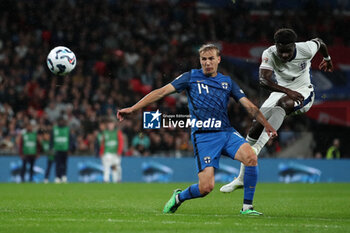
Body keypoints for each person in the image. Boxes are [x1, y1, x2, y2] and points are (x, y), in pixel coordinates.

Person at [117, 44, 277, 215]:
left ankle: (247, 208)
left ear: (218, 59)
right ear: (200, 60)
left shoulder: (227, 82)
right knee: (206, 188)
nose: (207, 63)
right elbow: (161, 92)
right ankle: (178, 197)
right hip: (204, 137)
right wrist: (134, 108)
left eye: (211, 59)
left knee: (251, 156)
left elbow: (249, 106)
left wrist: (267, 125)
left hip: (226, 133)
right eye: (204, 59)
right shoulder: (190, 77)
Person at [220, 28, 334, 193]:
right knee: (255, 126)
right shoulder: (270, 53)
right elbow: (263, 80)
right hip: (281, 91)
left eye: (288, 51)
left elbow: (320, 42)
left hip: (303, 91)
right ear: (276, 46)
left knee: (282, 104)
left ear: (294, 46)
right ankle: (240, 178)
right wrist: (287, 90)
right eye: (282, 51)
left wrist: (327, 58)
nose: (285, 55)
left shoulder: (306, 49)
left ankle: (257, 149)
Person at [96, 117, 124, 182]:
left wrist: (119, 151)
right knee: (106, 166)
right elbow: (102, 143)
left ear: (114, 124)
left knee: (116, 167)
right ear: (107, 125)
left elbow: (120, 142)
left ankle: (116, 180)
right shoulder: (105, 132)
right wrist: (101, 152)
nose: (110, 125)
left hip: (115, 153)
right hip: (107, 152)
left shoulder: (117, 132)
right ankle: (106, 180)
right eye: (109, 124)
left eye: (111, 124)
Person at [51, 117, 75, 183]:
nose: (61, 122)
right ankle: (57, 177)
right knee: (57, 164)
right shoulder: (55, 129)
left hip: (65, 149)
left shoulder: (67, 129)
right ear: (58, 122)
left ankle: (64, 176)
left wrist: (70, 148)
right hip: (57, 149)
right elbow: (51, 140)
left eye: (62, 121)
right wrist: (51, 148)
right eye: (60, 121)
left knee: (64, 164)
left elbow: (70, 140)